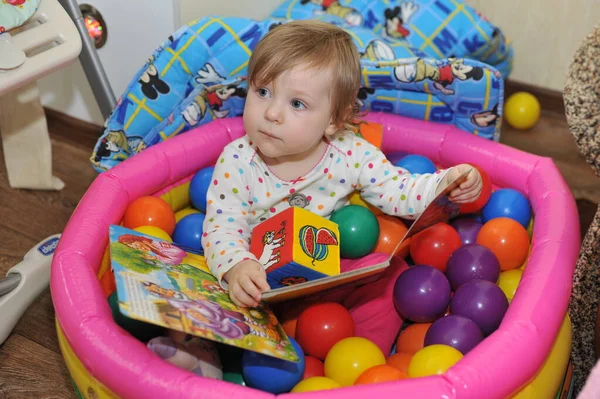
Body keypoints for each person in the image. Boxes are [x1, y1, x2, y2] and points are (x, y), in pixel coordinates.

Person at [200, 20, 483, 355]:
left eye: (297, 104)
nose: (272, 112)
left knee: (387, 274)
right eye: (262, 92)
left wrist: (446, 183)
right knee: (218, 302)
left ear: (334, 120)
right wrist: (237, 268)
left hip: (330, 272)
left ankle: (361, 359)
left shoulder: (350, 153)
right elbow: (222, 227)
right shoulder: (237, 160)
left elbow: (399, 190)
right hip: (266, 285)